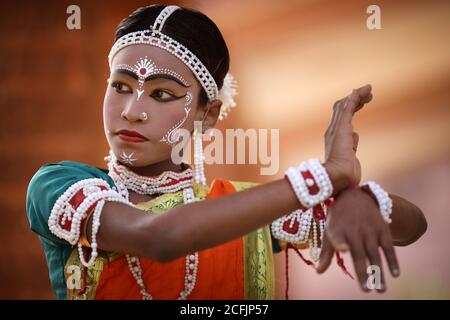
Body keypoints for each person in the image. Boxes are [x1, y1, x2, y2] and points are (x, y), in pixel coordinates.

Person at [26, 4, 427, 300]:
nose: (132, 111)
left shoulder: (241, 211)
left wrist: (355, 197)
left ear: (209, 113)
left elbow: (412, 226)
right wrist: (325, 178)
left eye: (162, 94)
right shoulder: (62, 186)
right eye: (121, 87)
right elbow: (159, 239)